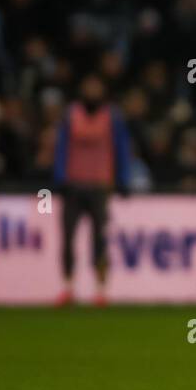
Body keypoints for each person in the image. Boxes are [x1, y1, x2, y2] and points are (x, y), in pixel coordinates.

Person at [53, 74, 131, 307]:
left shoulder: (112, 116)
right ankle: (68, 288)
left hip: (100, 185)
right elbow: (61, 147)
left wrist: (122, 179)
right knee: (68, 238)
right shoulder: (71, 115)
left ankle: (100, 289)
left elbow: (121, 147)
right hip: (74, 185)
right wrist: (59, 178)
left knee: (100, 239)